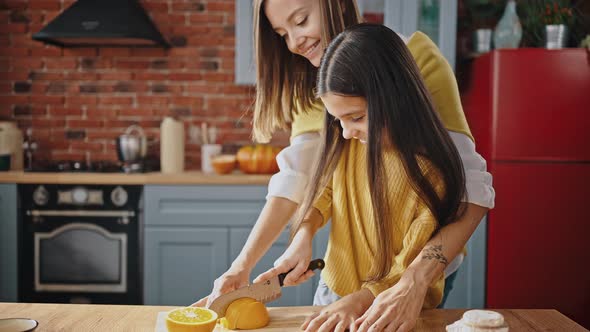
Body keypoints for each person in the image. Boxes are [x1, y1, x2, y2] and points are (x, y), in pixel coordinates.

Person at [195, 0, 494, 327]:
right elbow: (313, 178)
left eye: (301, 20)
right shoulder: (333, 106)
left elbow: (469, 188)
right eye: (282, 34)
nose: (294, 42)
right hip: (342, 277)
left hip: (411, 277)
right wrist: (270, 250)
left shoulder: (412, 63)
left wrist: (397, 287)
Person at [256, 22, 469, 332]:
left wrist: (359, 301)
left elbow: (411, 262)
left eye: (355, 118)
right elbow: (324, 190)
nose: (345, 131)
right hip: (332, 294)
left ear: (394, 97)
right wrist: (304, 234)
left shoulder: (433, 172)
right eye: (338, 120)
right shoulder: (351, 141)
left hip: (388, 306)